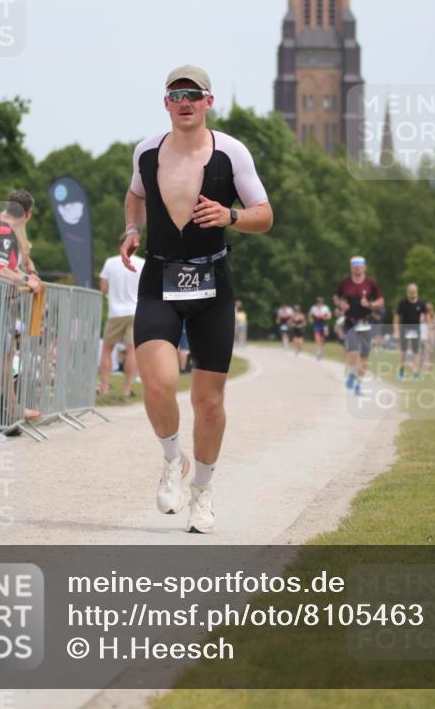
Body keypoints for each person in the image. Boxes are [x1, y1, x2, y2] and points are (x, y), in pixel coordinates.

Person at [120, 65, 273, 533]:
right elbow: (134, 194)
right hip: (160, 275)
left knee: (208, 402)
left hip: (212, 283)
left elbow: (264, 215)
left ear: (209, 102)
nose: (184, 102)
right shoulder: (147, 151)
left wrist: (230, 215)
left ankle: (203, 493)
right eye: (175, 94)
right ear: (165, 103)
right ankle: (172, 459)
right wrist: (131, 228)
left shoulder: (231, 152)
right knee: (159, 383)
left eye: (194, 94)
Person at [0, 190, 42, 423]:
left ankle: (13, 407)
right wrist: (27, 280)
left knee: (5, 357)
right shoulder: (5, 232)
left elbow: (5, 266)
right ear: (27, 213)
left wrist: (27, 277)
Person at [98, 237, 143, 397]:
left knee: (107, 350)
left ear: (121, 244)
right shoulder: (142, 263)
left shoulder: (110, 262)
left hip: (115, 312)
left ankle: (104, 386)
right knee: (132, 350)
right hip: (136, 311)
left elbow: (103, 288)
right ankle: (127, 388)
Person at [333, 255, 384, 395]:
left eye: (360, 265)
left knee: (364, 359)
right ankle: (350, 374)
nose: (357, 268)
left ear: (365, 267)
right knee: (353, 353)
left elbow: (381, 301)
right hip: (350, 322)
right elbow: (336, 297)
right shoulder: (345, 283)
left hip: (366, 322)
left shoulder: (370, 283)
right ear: (351, 267)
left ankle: (358, 383)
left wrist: (370, 304)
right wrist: (340, 304)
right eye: (355, 265)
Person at [393, 283, 427, 381]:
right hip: (405, 328)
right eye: (410, 293)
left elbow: (426, 315)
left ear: (416, 292)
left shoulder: (421, 303)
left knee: (416, 352)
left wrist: (428, 328)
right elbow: (396, 317)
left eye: (414, 293)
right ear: (408, 292)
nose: (412, 295)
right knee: (403, 351)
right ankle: (401, 372)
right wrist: (396, 331)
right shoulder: (403, 303)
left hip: (416, 329)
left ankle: (415, 374)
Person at [423, 301, 435, 370]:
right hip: (424, 337)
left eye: (430, 309)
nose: (428, 311)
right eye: (427, 309)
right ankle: (425, 366)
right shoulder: (422, 317)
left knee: (431, 352)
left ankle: (430, 366)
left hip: (433, 338)